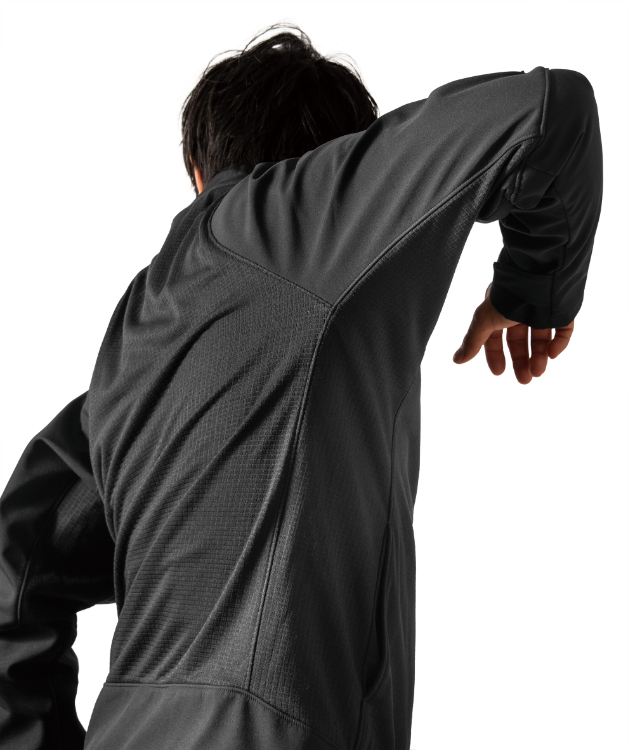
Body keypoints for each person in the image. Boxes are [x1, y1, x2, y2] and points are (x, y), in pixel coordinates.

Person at [0, 20, 603, 750]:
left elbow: (16, 566)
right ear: (341, 162)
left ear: (196, 169)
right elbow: (550, 114)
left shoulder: (135, 343)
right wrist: (533, 292)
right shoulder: (302, 218)